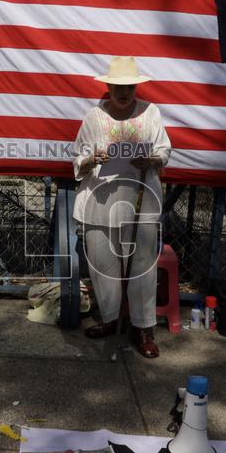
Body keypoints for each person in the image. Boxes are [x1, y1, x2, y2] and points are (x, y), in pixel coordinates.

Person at [72, 56, 171, 358]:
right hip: (100, 200)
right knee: (103, 263)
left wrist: (152, 160)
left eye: (129, 86)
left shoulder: (150, 113)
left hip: (140, 198)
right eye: (118, 86)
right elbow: (77, 157)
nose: (124, 92)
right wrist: (92, 159)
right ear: (109, 86)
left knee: (142, 265)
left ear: (135, 87)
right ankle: (111, 316)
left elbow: (164, 150)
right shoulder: (94, 117)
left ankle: (142, 327)